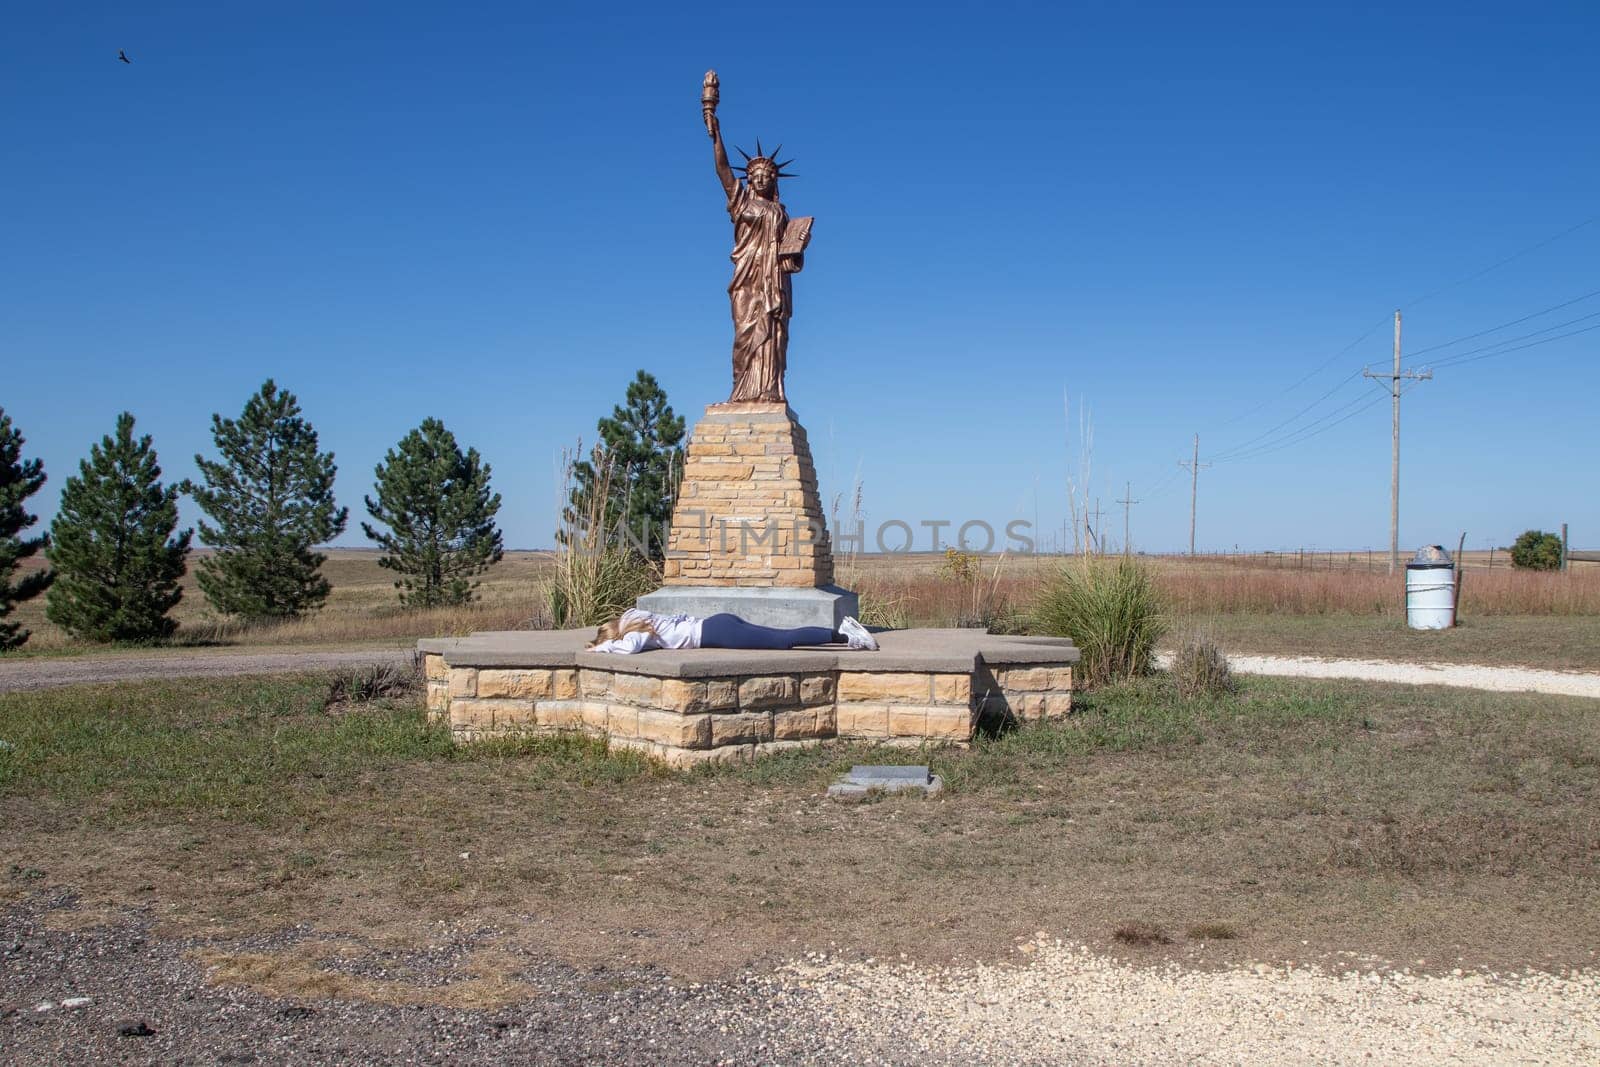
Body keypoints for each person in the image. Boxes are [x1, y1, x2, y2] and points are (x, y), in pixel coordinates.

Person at [588, 608, 877, 655]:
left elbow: (632, 648)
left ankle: (848, 635)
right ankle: (843, 633)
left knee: (783, 640)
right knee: (781, 636)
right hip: (717, 622)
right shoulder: (635, 616)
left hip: (719, 634)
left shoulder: (633, 633)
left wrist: (602, 649)